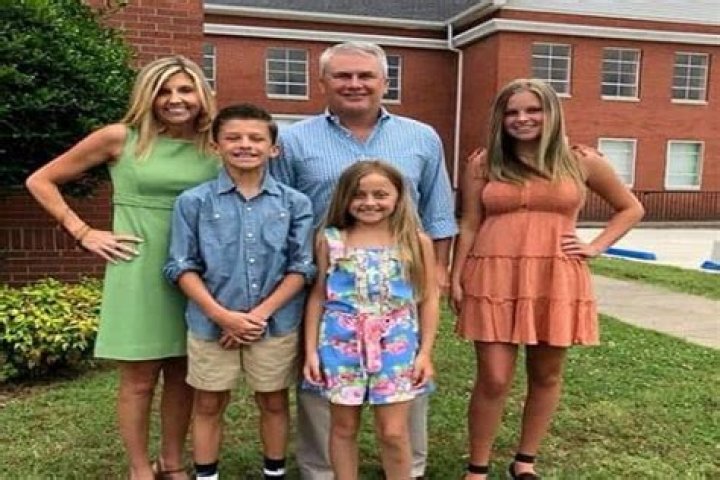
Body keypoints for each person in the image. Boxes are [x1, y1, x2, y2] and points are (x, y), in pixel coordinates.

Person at [25, 56, 219, 479]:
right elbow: (40, 180)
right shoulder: (120, 138)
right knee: (139, 378)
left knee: (184, 374)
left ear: (202, 94)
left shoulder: (217, 143)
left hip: (200, 271)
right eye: (163, 91)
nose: (175, 99)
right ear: (147, 96)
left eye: (185, 89)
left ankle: (172, 462)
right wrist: (82, 231)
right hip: (138, 267)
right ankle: (139, 468)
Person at [271, 40, 456, 480]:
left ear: (384, 81)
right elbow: (279, 211)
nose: (354, 84)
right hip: (323, 282)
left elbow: (438, 210)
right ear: (323, 82)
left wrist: (439, 269)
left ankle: (408, 469)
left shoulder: (421, 137)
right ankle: (322, 472)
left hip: (400, 289)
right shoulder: (294, 140)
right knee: (327, 401)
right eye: (343, 75)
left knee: (400, 411)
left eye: (365, 75)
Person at [450, 78, 645, 479]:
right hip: (493, 275)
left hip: (556, 276)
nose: (522, 118)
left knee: (546, 374)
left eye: (532, 110)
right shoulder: (483, 163)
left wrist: (595, 246)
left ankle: (525, 461)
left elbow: (630, 208)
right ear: (501, 119)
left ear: (551, 113)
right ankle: (477, 467)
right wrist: (456, 275)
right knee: (493, 377)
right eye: (512, 112)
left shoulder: (580, 160)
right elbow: (469, 223)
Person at [163, 104, 315, 480]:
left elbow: (301, 267)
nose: (245, 145)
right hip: (210, 323)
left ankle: (274, 472)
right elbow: (180, 266)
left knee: (273, 401)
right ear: (216, 145)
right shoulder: (193, 202)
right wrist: (223, 316)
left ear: (273, 148)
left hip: (275, 323)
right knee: (209, 402)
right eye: (233, 137)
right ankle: (207, 474)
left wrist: (257, 316)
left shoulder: (295, 203)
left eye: (255, 138)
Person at [303, 160, 439, 479]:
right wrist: (311, 352)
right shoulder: (331, 240)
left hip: (396, 345)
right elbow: (319, 296)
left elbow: (429, 297)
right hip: (340, 345)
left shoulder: (415, 242)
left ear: (398, 196)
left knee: (393, 431)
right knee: (343, 427)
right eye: (359, 194)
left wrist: (424, 353)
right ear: (345, 197)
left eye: (380, 194)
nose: (369, 202)